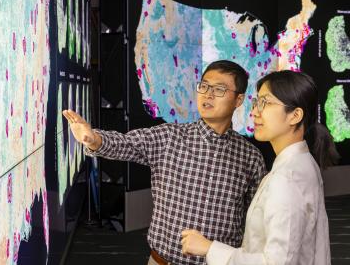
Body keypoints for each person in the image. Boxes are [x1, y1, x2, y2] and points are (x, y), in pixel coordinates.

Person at [62, 60, 267, 265]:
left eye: (219, 89)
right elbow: (126, 143)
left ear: (238, 100)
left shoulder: (251, 157)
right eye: (204, 86)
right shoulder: (170, 137)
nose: (208, 94)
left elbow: (255, 223)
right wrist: (95, 139)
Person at [181, 70, 339, 265]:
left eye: (266, 102)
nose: (254, 111)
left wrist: (209, 248)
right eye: (257, 102)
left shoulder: (286, 179)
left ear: (295, 115)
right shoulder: (304, 163)